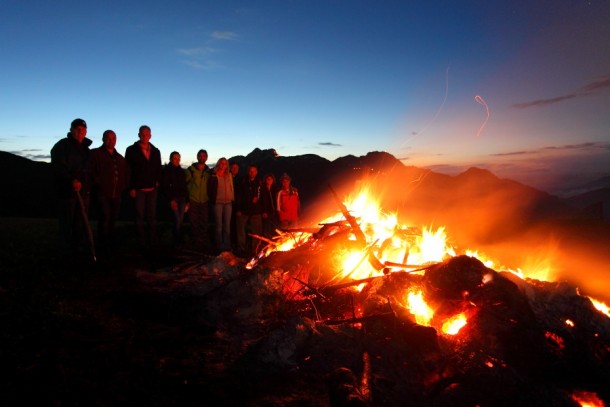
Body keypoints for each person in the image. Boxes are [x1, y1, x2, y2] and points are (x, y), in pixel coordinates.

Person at [50, 118, 93, 259]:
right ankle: (65, 253)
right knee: (66, 224)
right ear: (72, 130)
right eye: (78, 129)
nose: (81, 132)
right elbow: (58, 167)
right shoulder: (62, 146)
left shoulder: (86, 149)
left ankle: (78, 249)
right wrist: (71, 180)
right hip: (68, 193)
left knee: (79, 223)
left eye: (83, 129)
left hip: (84, 192)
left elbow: (88, 170)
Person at [89, 130, 130, 257]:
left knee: (113, 218)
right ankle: (102, 244)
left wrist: (123, 186)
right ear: (103, 139)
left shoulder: (119, 158)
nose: (111, 140)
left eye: (113, 138)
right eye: (108, 138)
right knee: (105, 217)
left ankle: (110, 243)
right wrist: (99, 185)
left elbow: (126, 173)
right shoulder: (95, 154)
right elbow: (91, 171)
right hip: (102, 193)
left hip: (116, 193)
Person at [125, 125, 162, 249]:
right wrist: (131, 187)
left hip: (152, 189)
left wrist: (157, 182)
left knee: (152, 216)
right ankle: (140, 241)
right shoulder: (131, 150)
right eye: (143, 134)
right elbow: (128, 170)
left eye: (147, 134)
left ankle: (152, 240)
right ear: (139, 135)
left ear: (150, 136)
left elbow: (158, 168)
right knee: (139, 216)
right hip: (139, 189)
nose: (145, 136)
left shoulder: (156, 151)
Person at [185, 149, 212, 253]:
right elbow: (184, 185)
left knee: (204, 222)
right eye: (200, 156)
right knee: (194, 222)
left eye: (204, 156)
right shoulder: (190, 170)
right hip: (193, 200)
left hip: (205, 201)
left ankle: (203, 243)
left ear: (206, 158)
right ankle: (195, 243)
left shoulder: (208, 172)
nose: (202, 157)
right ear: (197, 157)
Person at [160, 151, 189, 247]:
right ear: (171, 159)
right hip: (174, 199)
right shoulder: (167, 170)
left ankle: (178, 240)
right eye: (175, 158)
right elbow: (165, 187)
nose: (177, 160)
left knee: (180, 220)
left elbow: (185, 186)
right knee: (177, 219)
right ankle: (177, 240)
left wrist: (187, 200)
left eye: (178, 159)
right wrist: (171, 199)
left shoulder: (181, 171)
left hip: (182, 198)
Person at [235, 164, 263, 256]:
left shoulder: (259, 182)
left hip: (255, 210)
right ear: (248, 172)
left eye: (254, 171)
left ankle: (255, 249)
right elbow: (238, 196)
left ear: (256, 172)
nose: (252, 173)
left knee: (257, 231)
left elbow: (262, 197)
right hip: (243, 209)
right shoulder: (243, 181)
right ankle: (241, 248)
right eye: (250, 171)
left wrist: (262, 210)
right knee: (240, 230)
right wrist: (238, 209)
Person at [207, 157, 234, 253]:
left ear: (227, 165)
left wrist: (232, 198)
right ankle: (219, 246)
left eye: (225, 163)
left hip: (228, 203)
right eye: (221, 163)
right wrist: (212, 199)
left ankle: (227, 246)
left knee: (227, 225)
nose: (223, 165)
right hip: (218, 202)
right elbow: (210, 189)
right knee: (219, 225)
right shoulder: (214, 175)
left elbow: (231, 188)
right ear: (218, 164)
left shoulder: (229, 175)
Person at [260, 173, 279, 239]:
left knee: (274, 228)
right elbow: (261, 201)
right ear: (265, 180)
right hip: (266, 212)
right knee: (266, 228)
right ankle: (266, 242)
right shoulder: (262, 189)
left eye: (271, 179)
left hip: (273, 212)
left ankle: (274, 240)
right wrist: (264, 211)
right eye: (268, 179)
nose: (269, 180)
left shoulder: (274, 189)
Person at [229, 161, 241, 250]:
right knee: (228, 224)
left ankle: (235, 243)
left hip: (236, 205)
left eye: (236, 168)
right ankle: (229, 243)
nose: (234, 169)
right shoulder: (227, 177)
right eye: (233, 168)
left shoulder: (239, 179)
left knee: (235, 224)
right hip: (228, 204)